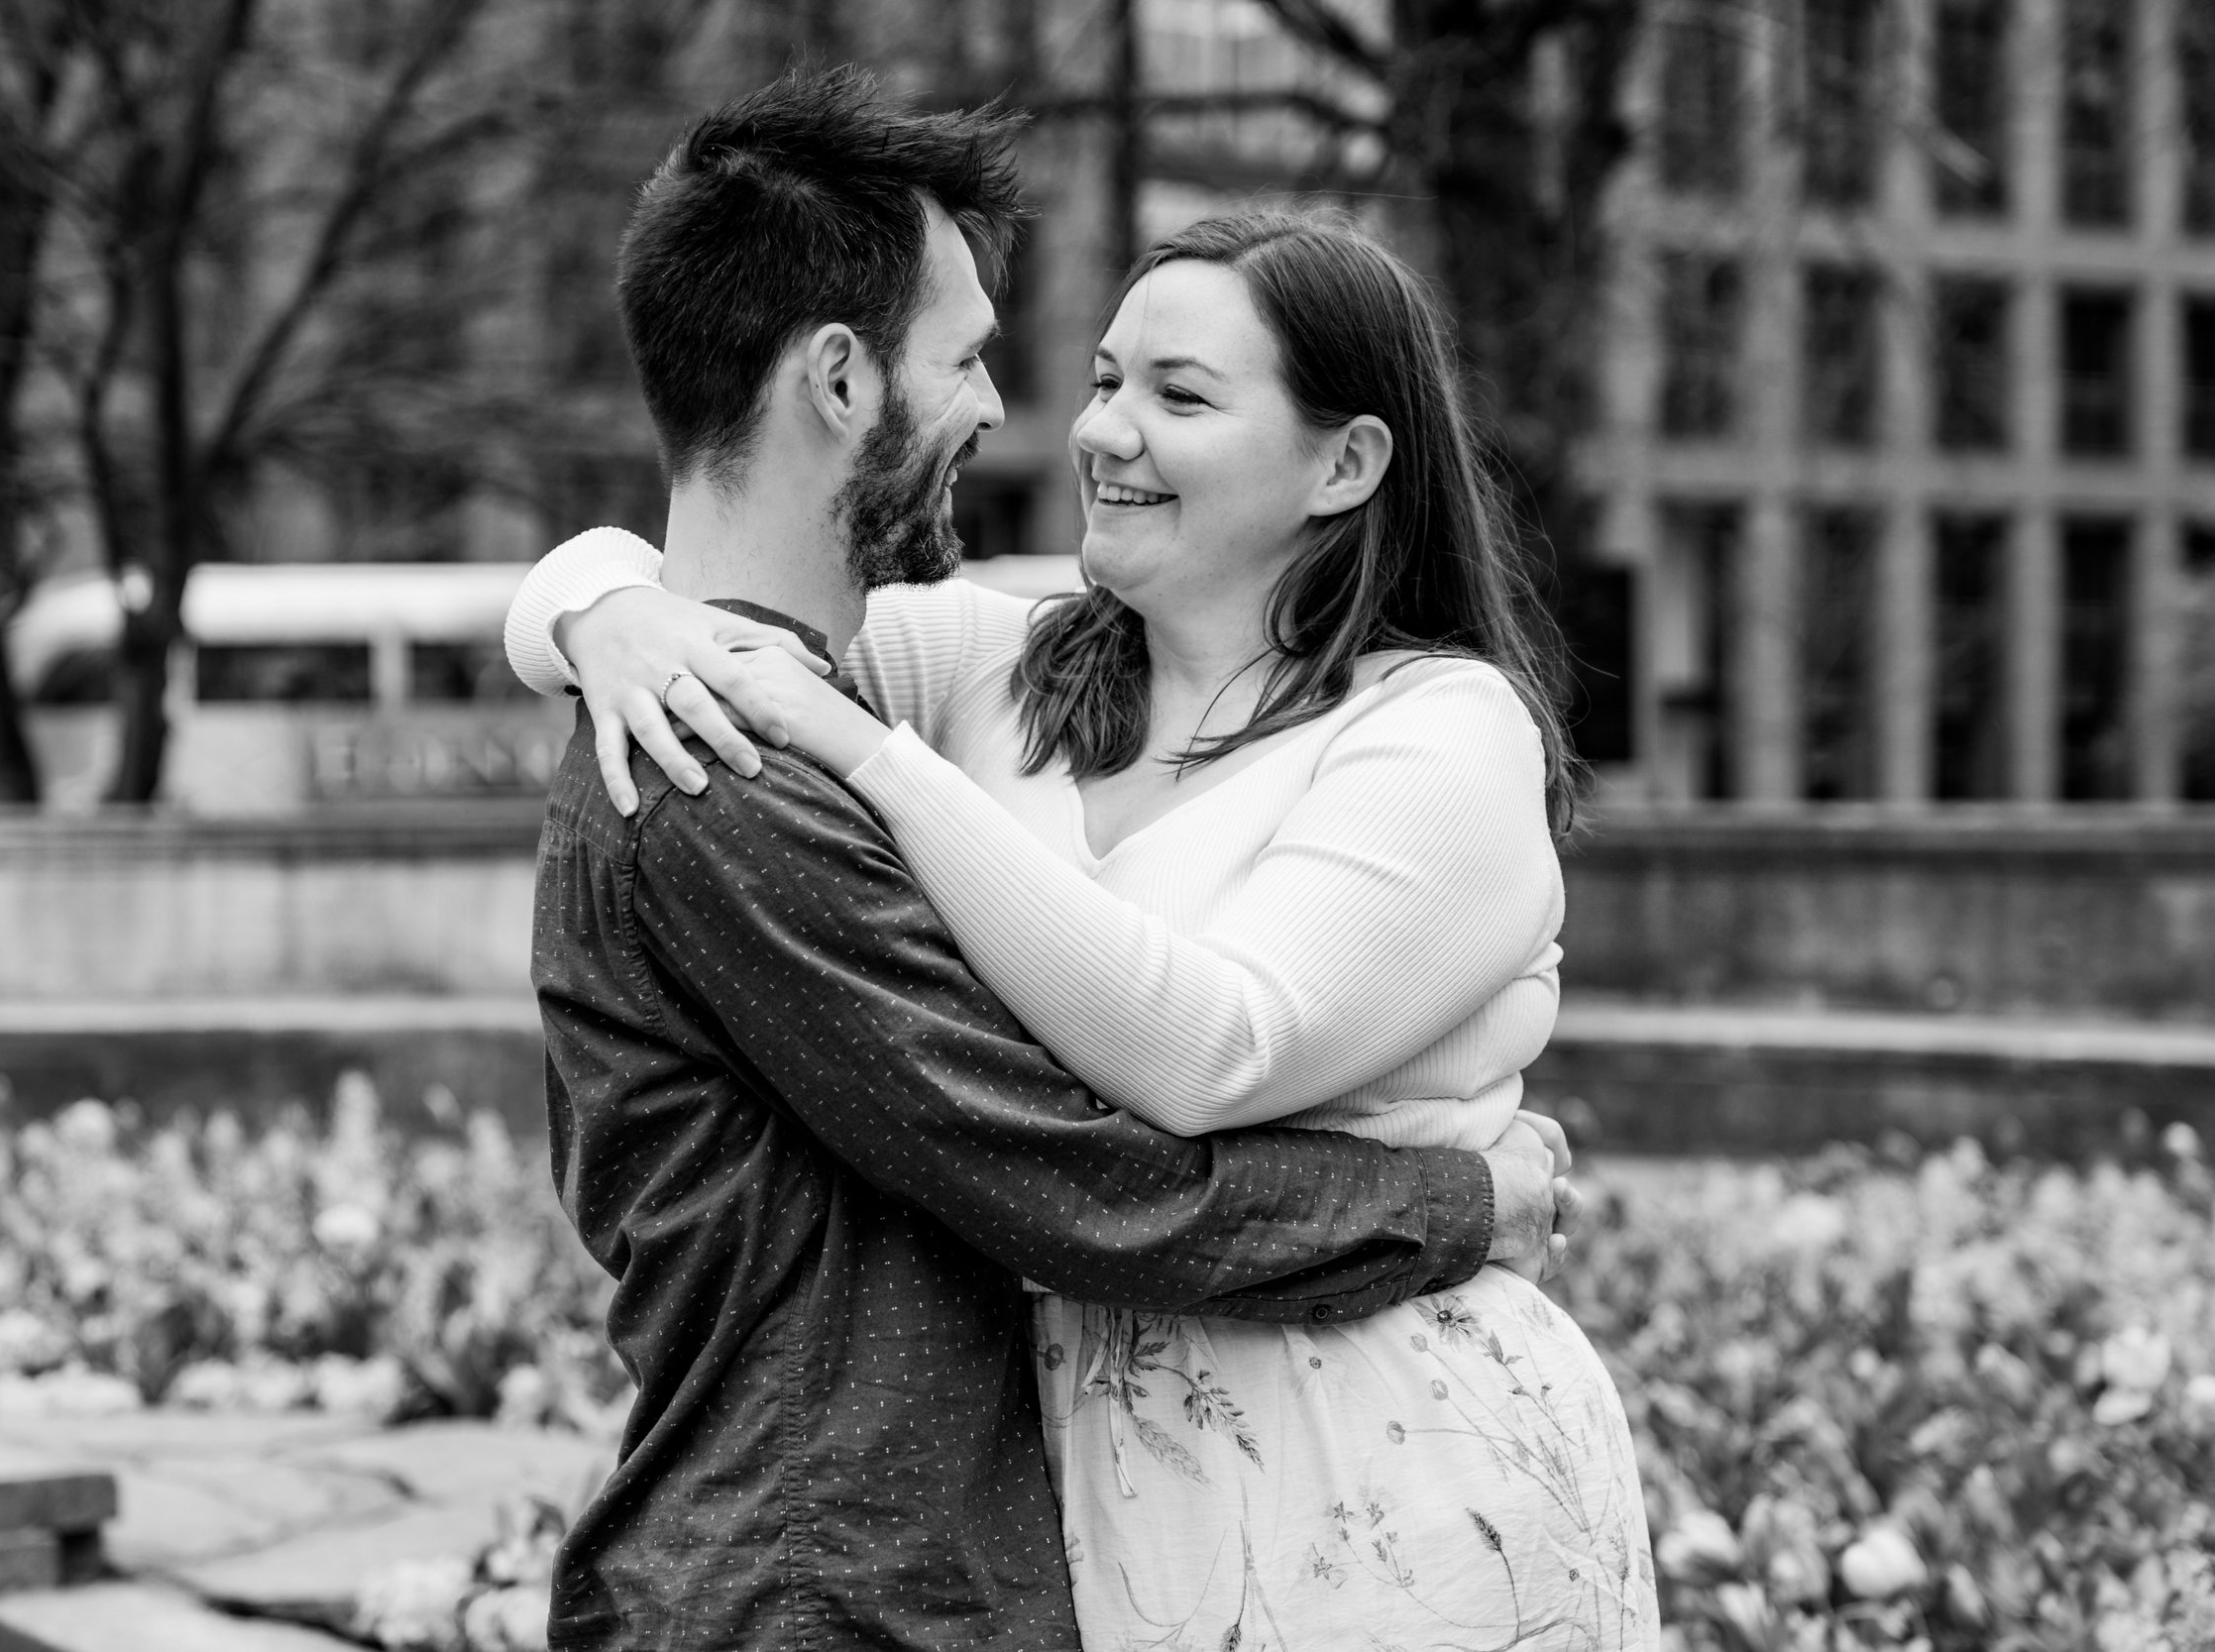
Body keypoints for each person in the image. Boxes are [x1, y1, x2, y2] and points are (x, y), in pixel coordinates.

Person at [521, 69, 1574, 1652]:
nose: (1049, 423)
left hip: (1354, 1488)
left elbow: (1210, 1051)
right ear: (835, 379)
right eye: (983, 361)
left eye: (1181, 394)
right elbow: (1090, 1180)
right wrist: (1458, 1200)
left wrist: (629, 619)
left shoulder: (1426, 730)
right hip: (836, 1586)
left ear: (1349, 466)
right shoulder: (747, 748)